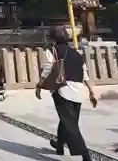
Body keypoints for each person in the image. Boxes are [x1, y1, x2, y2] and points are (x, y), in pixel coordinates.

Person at [36, 26, 96, 161]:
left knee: (70, 124)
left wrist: (39, 86)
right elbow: (84, 73)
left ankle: (85, 154)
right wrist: (91, 92)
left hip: (63, 90)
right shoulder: (76, 53)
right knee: (68, 120)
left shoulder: (51, 51)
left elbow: (47, 70)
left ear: (52, 39)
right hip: (79, 90)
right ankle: (59, 145)